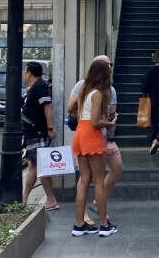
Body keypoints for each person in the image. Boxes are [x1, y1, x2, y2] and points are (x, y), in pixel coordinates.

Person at [67, 55, 122, 227]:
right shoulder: (98, 93)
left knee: (84, 180)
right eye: (108, 68)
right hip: (92, 135)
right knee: (98, 180)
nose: (110, 70)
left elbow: (71, 108)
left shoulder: (84, 89)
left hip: (80, 134)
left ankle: (79, 224)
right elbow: (96, 122)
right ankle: (105, 224)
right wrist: (110, 122)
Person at [20, 62, 59, 210]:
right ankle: (28, 197)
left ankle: (48, 198)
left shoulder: (40, 87)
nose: (24, 74)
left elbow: (48, 106)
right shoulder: (35, 88)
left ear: (29, 73)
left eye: (25, 72)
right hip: (33, 132)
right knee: (35, 166)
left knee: (39, 166)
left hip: (38, 132)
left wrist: (50, 128)